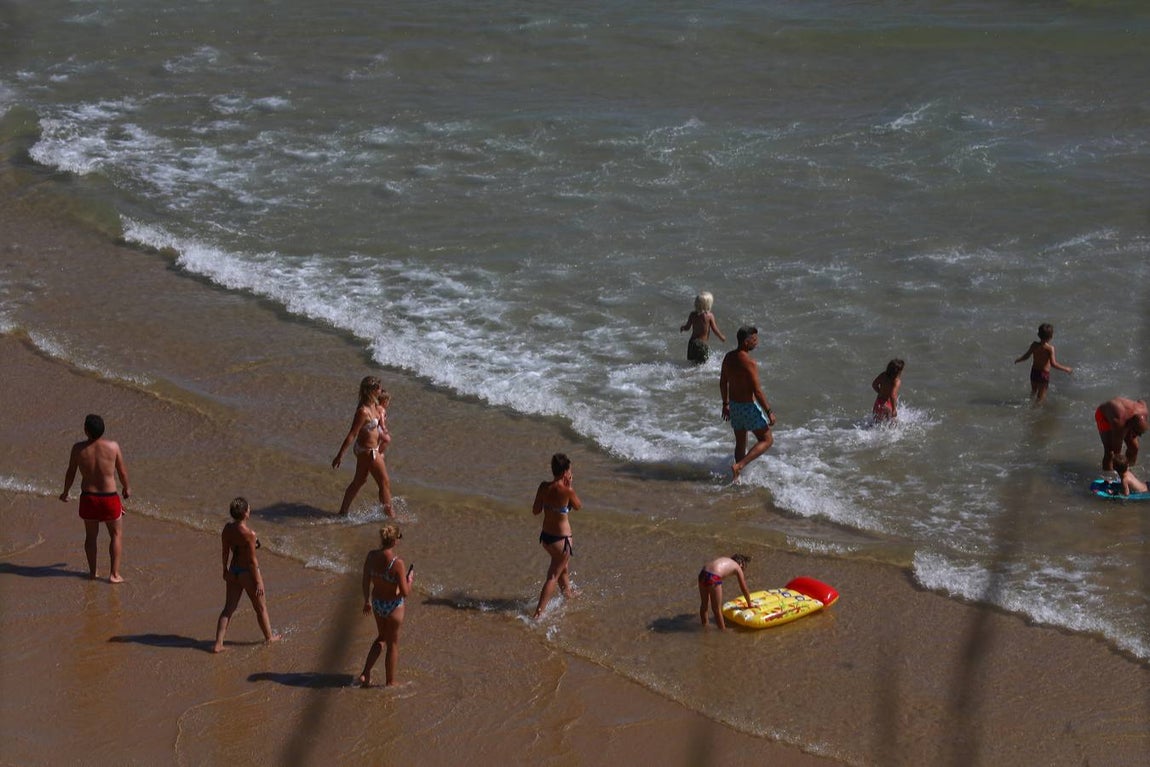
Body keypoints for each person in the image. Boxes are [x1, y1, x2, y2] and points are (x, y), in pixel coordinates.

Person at [59, 414, 130, 583]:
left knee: (91, 537)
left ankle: (93, 573)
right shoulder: (113, 447)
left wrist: (65, 492)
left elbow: (71, 473)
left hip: (89, 498)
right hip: (109, 498)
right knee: (116, 534)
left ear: (85, 430)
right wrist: (127, 488)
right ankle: (114, 575)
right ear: (103, 429)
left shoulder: (78, 449)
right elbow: (122, 472)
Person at [213, 497, 280, 652]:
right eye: (249, 509)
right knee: (261, 608)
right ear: (245, 513)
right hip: (247, 573)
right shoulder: (250, 533)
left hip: (233, 570)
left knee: (228, 608)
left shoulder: (227, 529)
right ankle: (269, 638)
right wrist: (258, 582)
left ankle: (218, 644)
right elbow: (252, 561)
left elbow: (225, 551)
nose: (250, 510)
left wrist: (225, 570)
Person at [358, 523, 413, 687]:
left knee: (381, 637)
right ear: (395, 540)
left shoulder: (371, 556)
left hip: (377, 603)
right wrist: (410, 580)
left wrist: (366, 600)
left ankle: (365, 673)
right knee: (392, 643)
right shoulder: (397, 563)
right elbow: (404, 592)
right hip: (393, 605)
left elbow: (365, 579)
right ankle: (390, 681)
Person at [719, 326, 776, 481]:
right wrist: (769, 411)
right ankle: (739, 466)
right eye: (754, 339)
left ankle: (737, 478)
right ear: (746, 341)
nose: (756, 343)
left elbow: (723, 382)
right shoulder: (750, 363)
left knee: (740, 443)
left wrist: (725, 404)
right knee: (767, 439)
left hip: (734, 406)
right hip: (748, 408)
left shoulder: (728, 357)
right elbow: (757, 391)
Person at [332, 376, 393, 517]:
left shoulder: (374, 406)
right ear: (372, 390)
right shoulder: (363, 411)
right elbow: (352, 434)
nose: (380, 390)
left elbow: (379, 426)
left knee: (359, 481)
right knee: (384, 482)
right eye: (378, 388)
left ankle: (342, 513)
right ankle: (390, 515)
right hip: (368, 451)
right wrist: (340, 455)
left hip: (369, 449)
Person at [532, 453, 582, 618]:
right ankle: (538, 614)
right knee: (553, 575)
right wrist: (570, 485)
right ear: (565, 472)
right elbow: (578, 506)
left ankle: (567, 593)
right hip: (562, 541)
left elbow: (536, 511)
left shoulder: (543, 487)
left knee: (563, 567)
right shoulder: (567, 490)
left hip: (546, 538)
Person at [1014, 323, 1072, 403]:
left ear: (1038, 334)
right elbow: (1053, 364)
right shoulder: (1050, 348)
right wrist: (1066, 369)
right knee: (1041, 397)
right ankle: (1035, 412)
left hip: (1034, 372)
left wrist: (1018, 360)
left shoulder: (1034, 345)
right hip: (1043, 374)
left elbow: (1026, 356)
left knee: (1033, 392)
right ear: (1051, 337)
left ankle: (1030, 406)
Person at [697, 554, 754, 630]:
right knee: (716, 609)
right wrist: (749, 604)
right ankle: (723, 632)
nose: (742, 570)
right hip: (713, 576)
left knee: (704, 605)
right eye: (743, 568)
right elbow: (744, 588)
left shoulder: (725, 560)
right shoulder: (737, 567)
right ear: (741, 564)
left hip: (703, 573)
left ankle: (705, 627)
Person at [1095, 397, 1148, 472]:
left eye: (1140, 433)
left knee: (1134, 448)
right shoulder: (1119, 423)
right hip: (1104, 416)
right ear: (1129, 425)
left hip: (1123, 413)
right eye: (1136, 432)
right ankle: (1109, 477)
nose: (1137, 436)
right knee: (1110, 452)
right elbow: (1117, 454)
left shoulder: (1143, 408)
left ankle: (1130, 470)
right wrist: (1122, 474)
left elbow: (1141, 400)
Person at [680, 291, 727, 364]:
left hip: (692, 343)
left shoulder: (692, 314)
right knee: (703, 364)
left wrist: (683, 328)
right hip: (702, 344)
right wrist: (721, 337)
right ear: (708, 305)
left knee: (691, 363)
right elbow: (715, 329)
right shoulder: (709, 316)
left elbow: (687, 327)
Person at [871, 359, 905, 423]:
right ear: (898, 371)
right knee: (893, 425)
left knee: (876, 424)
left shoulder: (883, 375)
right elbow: (893, 395)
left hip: (878, 403)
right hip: (887, 404)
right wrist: (894, 409)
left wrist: (880, 392)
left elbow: (874, 385)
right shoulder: (896, 381)